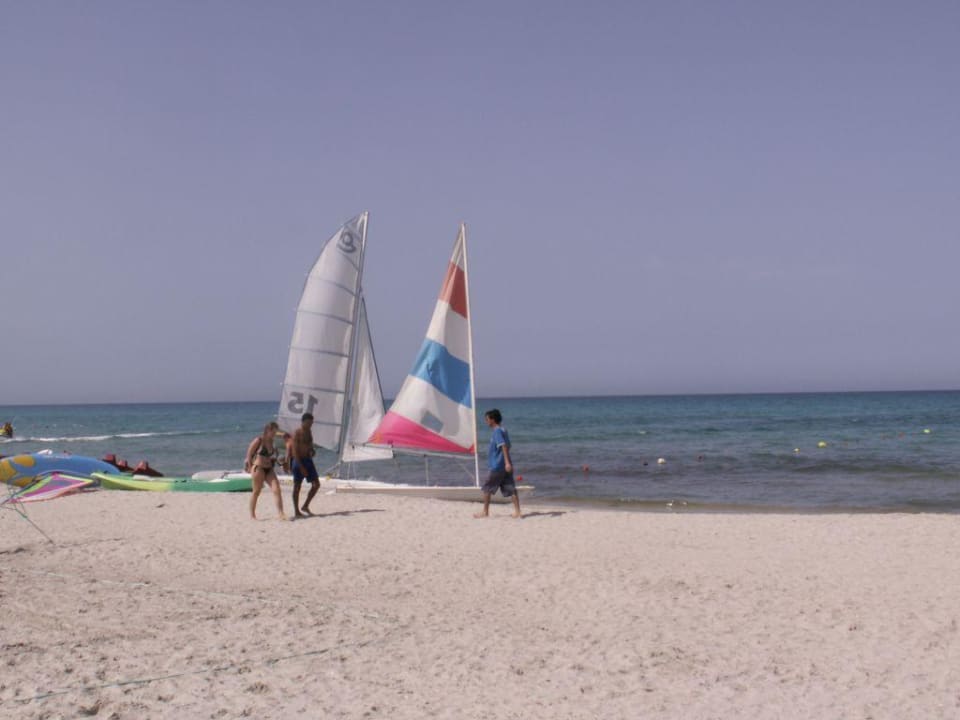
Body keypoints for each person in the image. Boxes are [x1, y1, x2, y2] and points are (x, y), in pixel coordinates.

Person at [474, 409, 522, 519]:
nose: (486, 421)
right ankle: (518, 512)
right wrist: (507, 462)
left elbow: (503, 445)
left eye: (487, 419)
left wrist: (506, 462)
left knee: (487, 488)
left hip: (497, 466)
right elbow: (508, 446)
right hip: (505, 465)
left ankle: (485, 512)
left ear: (493, 420)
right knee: (511, 488)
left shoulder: (497, 431)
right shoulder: (504, 430)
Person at [245, 421, 287, 521]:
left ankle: (281, 513)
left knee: (277, 489)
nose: (274, 434)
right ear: (268, 430)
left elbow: (275, 456)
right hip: (258, 468)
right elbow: (249, 454)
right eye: (273, 432)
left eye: (276, 432)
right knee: (256, 492)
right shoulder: (259, 440)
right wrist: (250, 468)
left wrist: (281, 462)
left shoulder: (273, 442)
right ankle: (252, 515)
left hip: (269, 469)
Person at [290, 413, 320, 518]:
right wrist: (301, 467)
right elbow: (294, 452)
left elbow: (310, 445)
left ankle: (305, 506)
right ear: (303, 422)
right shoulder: (297, 433)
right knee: (297, 486)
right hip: (298, 461)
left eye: (311, 423)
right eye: (308, 423)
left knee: (316, 484)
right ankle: (296, 511)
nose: (310, 425)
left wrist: (312, 451)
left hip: (308, 460)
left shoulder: (309, 432)